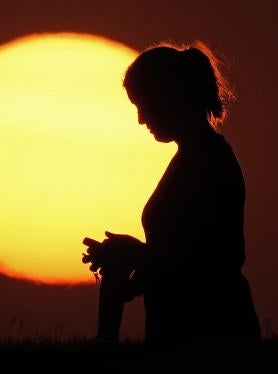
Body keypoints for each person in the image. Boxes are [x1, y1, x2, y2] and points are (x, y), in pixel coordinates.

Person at [82, 41, 261, 351]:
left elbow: (212, 261)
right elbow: (174, 258)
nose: (140, 119)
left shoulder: (209, 160)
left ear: (168, 98)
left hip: (212, 333)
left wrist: (135, 253)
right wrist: (125, 261)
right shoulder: (192, 157)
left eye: (142, 104)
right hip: (177, 329)